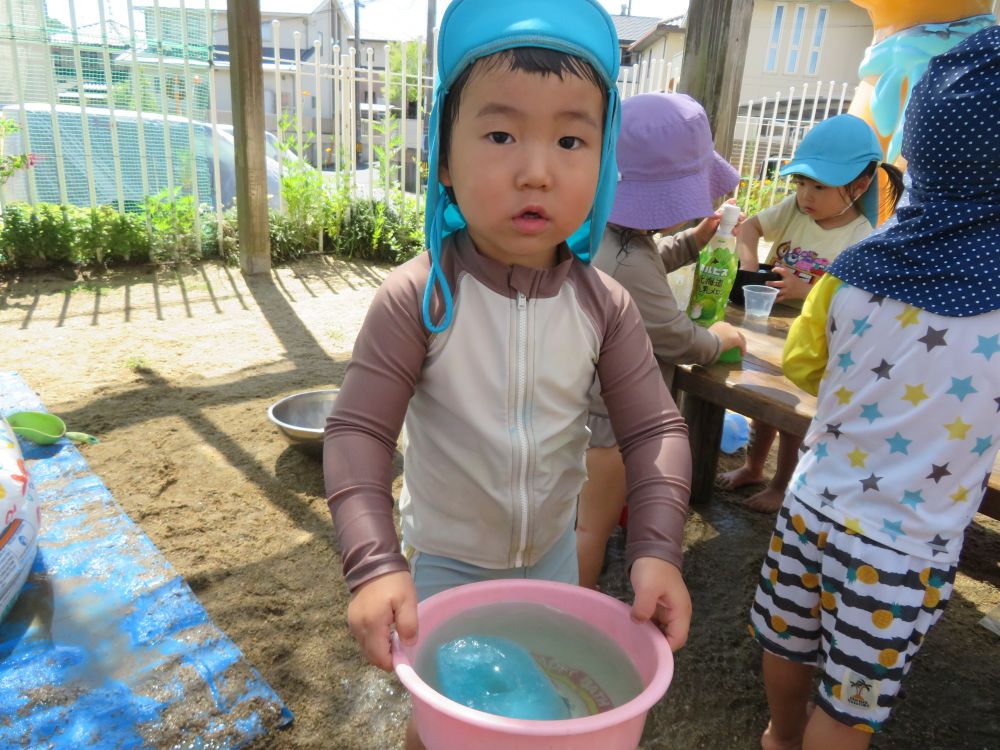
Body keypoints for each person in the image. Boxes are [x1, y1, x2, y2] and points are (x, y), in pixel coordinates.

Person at [323, 2, 693, 747]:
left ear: (605, 158)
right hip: (443, 564)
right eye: (499, 134)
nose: (536, 169)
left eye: (570, 138)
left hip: (553, 558)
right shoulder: (422, 297)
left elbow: (655, 428)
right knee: (440, 726)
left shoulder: (604, 303)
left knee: (538, 712)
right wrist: (373, 564)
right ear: (445, 160)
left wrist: (657, 549)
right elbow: (358, 430)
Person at [749, 26, 1000, 750]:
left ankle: (776, 738)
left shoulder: (854, 269)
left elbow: (803, 367)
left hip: (811, 507)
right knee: (851, 701)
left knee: (788, 645)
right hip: (902, 550)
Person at [576, 92, 747, 589]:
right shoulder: (627, 260)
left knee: (579, 514)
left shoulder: (605, 232)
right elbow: (672, 337)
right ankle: (574, 609)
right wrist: (717, 339)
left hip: (580, 402)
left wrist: (692, 242)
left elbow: (647, 262)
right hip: (607, 417)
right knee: (592, 526)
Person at [720, 114, 904, 513]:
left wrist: (807, 289)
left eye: (820, 186)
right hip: (769, 325)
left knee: (791, 416)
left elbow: (853, 295)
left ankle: (782, 485)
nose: (806, 195)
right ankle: (754, 467)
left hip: (814, 337)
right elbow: (750, 229)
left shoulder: (860, 237)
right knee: (761, 402)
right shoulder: (795, 211)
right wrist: (749, 265)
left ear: (860, 185)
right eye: (801, 182)